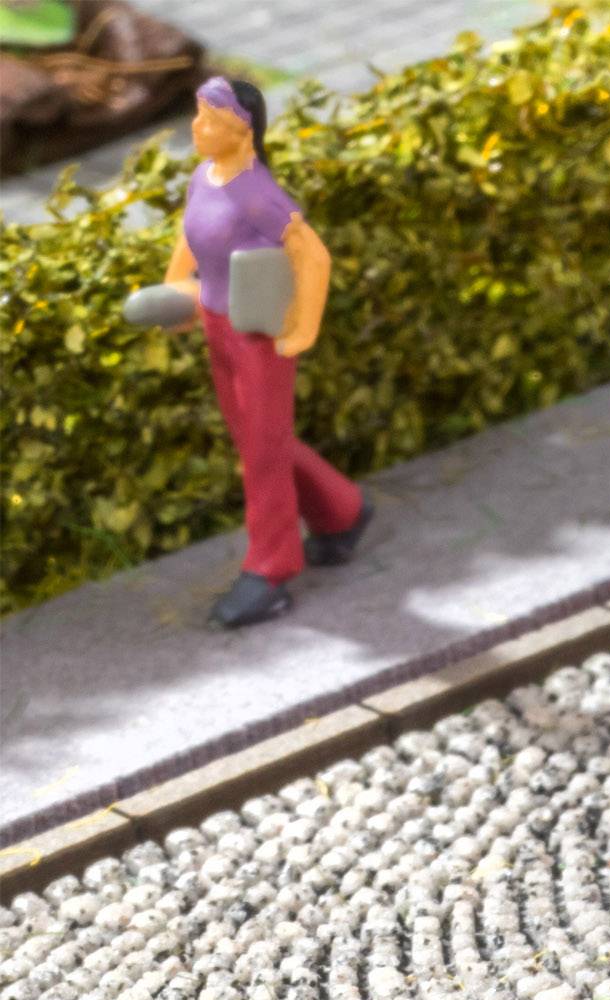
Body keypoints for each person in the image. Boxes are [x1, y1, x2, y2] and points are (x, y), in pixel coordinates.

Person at [162, 76, 372, 628]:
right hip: (215, 321)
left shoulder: (258, 193)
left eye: (209, 118)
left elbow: (313, 256)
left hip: (258, 334)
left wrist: (302, 327)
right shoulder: (203, 178)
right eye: (196, 114)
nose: (196, 127)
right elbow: (190, 237)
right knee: (258, 439)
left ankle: (270, 571)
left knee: (262, 450)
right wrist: (175, 290)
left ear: (242, 129)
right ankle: (342, 510)